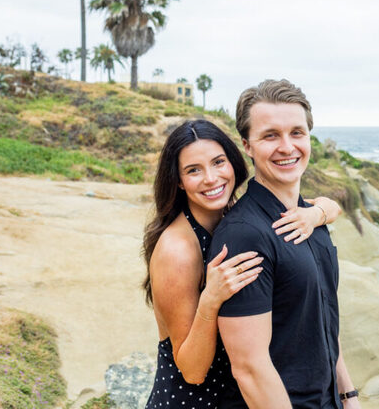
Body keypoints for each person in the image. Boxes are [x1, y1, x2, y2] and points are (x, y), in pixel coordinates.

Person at [142, 119, 342, 408]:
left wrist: (316, 214)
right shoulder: (178, 250)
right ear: (179, 181)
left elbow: (330, 206)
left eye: (218, 162)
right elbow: (192, 371)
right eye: (194, 170)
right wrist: (210, 300)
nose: (211, 178)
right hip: (193, 402)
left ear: (233, 162)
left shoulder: (236, 219)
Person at [210, 80, 360, 408]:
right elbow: (249, 368)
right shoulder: (244, 235)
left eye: (297, 133)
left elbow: (323, 319)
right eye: (270, 135)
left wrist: (348, 395)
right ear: (247, 145)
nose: (287, 147)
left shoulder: (311, 219)